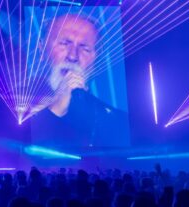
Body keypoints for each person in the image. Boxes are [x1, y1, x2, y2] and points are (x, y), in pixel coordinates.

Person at [23, 12, 127, 149]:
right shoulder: (14, 100)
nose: (73, 56)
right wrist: (55, 109)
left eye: (85, 49)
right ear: (42, 49)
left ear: (97, 59)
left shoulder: (117, 121)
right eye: (64, 44)